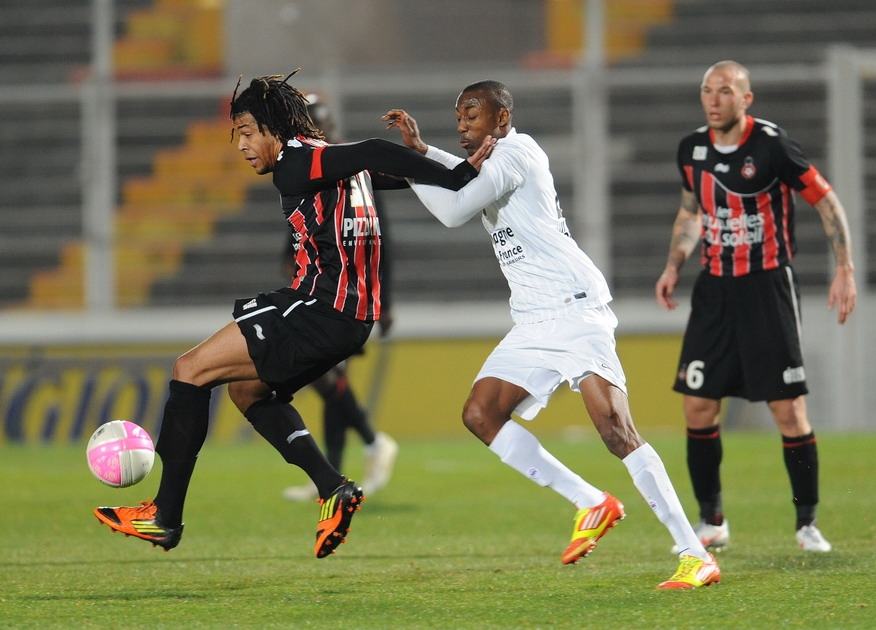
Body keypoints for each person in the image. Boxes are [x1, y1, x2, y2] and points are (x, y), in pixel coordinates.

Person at [93, 71, 492, 559]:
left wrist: (457, 175)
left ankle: (164, 515)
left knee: (189, 370)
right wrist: (432, 161)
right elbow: (386, 171)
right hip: (347, 317)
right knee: (247, 390)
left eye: (246, 132)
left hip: (319, 307)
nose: (242, 146)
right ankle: (333, 488)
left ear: (272, 127)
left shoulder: (297, 162)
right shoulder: (325, 160)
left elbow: (372, 150)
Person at [382, 80, 720, 589]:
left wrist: (410, 167)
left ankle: (695, 554)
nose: (463, 127)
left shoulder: (514, 154)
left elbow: (453, 210)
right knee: (481, 413)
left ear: (501, 118)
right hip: (534, 319)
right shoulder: (497, 157)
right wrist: (424, 152)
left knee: (616, 430)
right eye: (458, 119)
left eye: (472, 117)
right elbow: (460, 176)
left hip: (574, 308)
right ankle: (591, 502)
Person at [654, 60, 857, 553]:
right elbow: (691, 211)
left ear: (746, 99)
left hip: (767, 288)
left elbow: (827, 202)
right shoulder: (691, 149)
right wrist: (674, 265)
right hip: (715, 290)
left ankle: (807, 523)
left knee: (788, 410)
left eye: (725, 91)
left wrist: (845, 268)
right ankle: (712, 521)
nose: (713, 99)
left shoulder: (772, 145)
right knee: (698, 405)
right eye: (707, 90)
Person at [281, 95, 398, 502]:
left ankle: (367, 445)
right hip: (320, 288)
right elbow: (302, 224)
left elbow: (379, 236)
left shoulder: (350, 165)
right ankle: (335, 472)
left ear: (329, 126)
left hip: (346, 293)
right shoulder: (309, 162)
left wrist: (385, 301)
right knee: (329, 379)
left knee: (325, 377)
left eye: (314, 124)